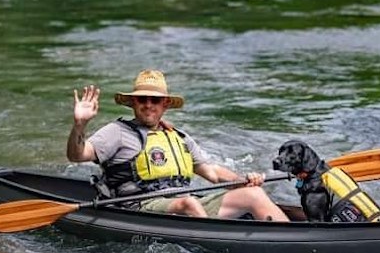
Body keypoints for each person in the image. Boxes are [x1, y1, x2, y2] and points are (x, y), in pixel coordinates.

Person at [66, 69, 289, 221]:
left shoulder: (178, 136)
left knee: (255, 194)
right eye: (142, 99)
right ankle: (218, 246)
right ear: (133, 102)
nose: (148, 105)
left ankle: (292, 242)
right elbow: (77, 155)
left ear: (166, 105)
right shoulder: (117, 132)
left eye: (155, 100)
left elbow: (211, 173)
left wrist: (244, 181)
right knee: (189, 204)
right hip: (143, 207)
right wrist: (79, 125)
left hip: (184, 204)